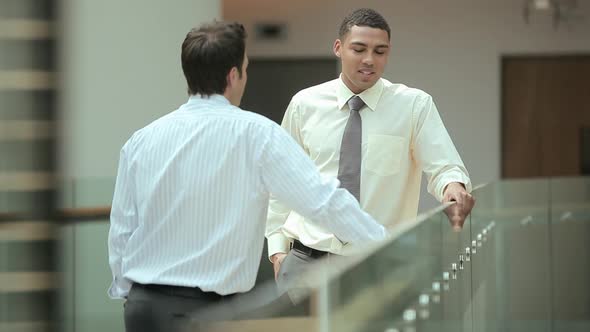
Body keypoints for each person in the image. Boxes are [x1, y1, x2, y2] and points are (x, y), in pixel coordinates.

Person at [107, 21, 388, 332]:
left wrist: (127, 292)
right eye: (245, 69)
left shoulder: (141, 140)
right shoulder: (257, 134)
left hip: (142, 308)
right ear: (233, 75)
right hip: (204, 314)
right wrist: (387, 246)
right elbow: (322, 200)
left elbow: (122, 229)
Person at [266, 8, 475, 291]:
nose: (369, 60)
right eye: (359, 49)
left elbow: (444, 167)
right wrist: (278, 249)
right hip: (306, 263)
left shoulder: (414, 106)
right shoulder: (304, 104)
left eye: (380, 51)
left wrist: (453, 186)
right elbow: (281, 181)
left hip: (380, 263)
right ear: (338, 48)